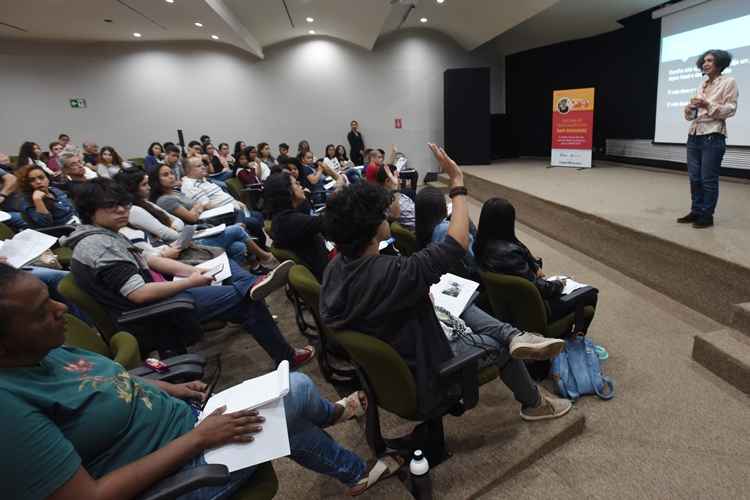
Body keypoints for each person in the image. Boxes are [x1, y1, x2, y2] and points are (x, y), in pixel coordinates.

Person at [0, 264, 401, 500]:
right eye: (40, 311)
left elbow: (114, 381)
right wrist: (198, 439)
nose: (60, 310)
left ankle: (347, 458)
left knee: (289, 394)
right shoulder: (9, 411)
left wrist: (170, 388)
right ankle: (341, 439)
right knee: (288, 403)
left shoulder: (49, 351)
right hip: (177, 475)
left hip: (188, 425)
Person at [319, 144, 571, 421]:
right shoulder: (393, 272)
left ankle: (515, 336)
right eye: (382, 213)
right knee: (494, 345)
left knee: (462, 305)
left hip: (396, 339)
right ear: (370, 228)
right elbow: (457, 242)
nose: (387, 214)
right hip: (427, 359)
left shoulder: (335, 268)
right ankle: (534, 403)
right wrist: (458, 182)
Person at [62, 178, 313, 366]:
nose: (121, 210)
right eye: (111, 206)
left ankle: (255, 286)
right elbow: (139, 293)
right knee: (247, 301)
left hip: (155, 301)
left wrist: (195, 269)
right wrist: (190, 281)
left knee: (234, 283)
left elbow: (151, 261)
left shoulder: (103, 235)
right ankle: (284, 351)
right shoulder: (100, 245)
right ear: (90, 210)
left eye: (124, 204)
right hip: (150, 313)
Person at [474, 197, 598, 334]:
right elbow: (540, 289)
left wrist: (534, 265)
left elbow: (522, 271)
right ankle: (577, 340)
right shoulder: (510, 252)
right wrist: (561, 283)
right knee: (591, 293)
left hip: (508, 309)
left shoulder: (480, 245)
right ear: (509, 222)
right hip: (537, 311)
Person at [116, 168, 267, 271]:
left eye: (148, 183)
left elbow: (180, 220)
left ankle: (245, 276)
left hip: (188, 235)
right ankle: (267, 258)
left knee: (238, 246)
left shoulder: (148, 202)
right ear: (131, 189)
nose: (148, 187)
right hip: (183, 245)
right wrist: (187, 229)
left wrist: (183, 224)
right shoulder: (137, 209)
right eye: (143, 185)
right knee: (238, 229)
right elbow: (169, 233)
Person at [679, 49, 738, 229]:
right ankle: (696, 210)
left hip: (713, 135)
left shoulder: (729, 82)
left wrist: (707, 104)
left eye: (710, 60)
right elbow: (691, 116)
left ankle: (706, 215)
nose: (705, 63)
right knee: (694, 178)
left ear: (720, 63)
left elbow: (730, 109)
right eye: (704, 61)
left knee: (708, 179)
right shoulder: (702, 84)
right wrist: (690, 108)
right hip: (694, 134)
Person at [266, 172, 329, 281]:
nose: (301, 185)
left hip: (320, 262)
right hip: (329, 272)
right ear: (288, 191)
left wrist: (304, 198)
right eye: (296, 183)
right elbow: (333, 222)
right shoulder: (294, 221)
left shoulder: (280, 217)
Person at [376, 163, 415, 230]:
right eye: (397, 178)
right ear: (387, 181)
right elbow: (395, 215)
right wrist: (395, 190)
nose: (400, 181)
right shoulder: (384, 199)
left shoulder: (390, 194)